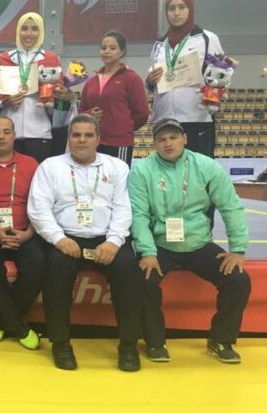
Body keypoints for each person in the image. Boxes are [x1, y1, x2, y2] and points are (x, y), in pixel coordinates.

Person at [129, 118, 251, 364]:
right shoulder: (141, 171)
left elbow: (230, 206)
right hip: (160, 245)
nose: (168, 143)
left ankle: (221, 340)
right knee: (142, 281)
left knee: (238, 280)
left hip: (199, 244)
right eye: (161, 139)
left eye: (173, 137)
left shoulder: (207, 166)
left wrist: (238, 249)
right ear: (154, 144)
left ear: (185, 138)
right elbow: (138, 215)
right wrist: (147, 252)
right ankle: (155, 342)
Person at [27, 114, 142, 371]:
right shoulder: (50, 166)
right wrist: (58, 238)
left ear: (98, 139)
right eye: (76, 135)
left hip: (106, 238)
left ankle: (128, 345)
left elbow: (124, 208)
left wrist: (114, 242)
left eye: (88, 135)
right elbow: (38, 208)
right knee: (55, 270)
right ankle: (60, 344)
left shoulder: (117, 167)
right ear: (68, 138)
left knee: (128, 271)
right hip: (65, 237)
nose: (82, 140)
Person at [0, 117, 43, 349]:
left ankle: (1, 321)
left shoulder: (32, 165)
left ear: (14, 135)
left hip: (25, 232)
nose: (1, 136)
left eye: (6, 132)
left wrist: (29, 233)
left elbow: (42, 204)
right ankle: (19, 326)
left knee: (39, 261)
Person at [0, 12, 76, 163]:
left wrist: (64, 96)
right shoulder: (3, 59)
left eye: (34, 29)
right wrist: (4, 101)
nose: (29, 34)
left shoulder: (51, 59)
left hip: (40, 134)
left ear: (41, 32)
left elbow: (59, 102)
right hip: (8, 134)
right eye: (24, 29)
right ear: (17, 31)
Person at [145, 0, 223, 158]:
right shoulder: (159, 44)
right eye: (171, 8)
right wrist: (150, 81)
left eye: (182, 7)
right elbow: (152, 83)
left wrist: (212, 92)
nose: (176, 13)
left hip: (197, 118)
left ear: (190, 9)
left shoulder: (207, 39)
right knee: (166, 169)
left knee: (198, 169)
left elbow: (222, 75)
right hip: (164, 119)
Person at [80, 30, 149, 166]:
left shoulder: (131, 79)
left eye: (112, 48)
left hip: (119, 143)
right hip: (94, 142)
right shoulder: (91, 81)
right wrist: (89, 115)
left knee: (117, 178)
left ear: (122, 51)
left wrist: (123, 128)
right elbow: (81, 109)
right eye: (103, 48)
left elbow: (142, 113)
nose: (107, 51)